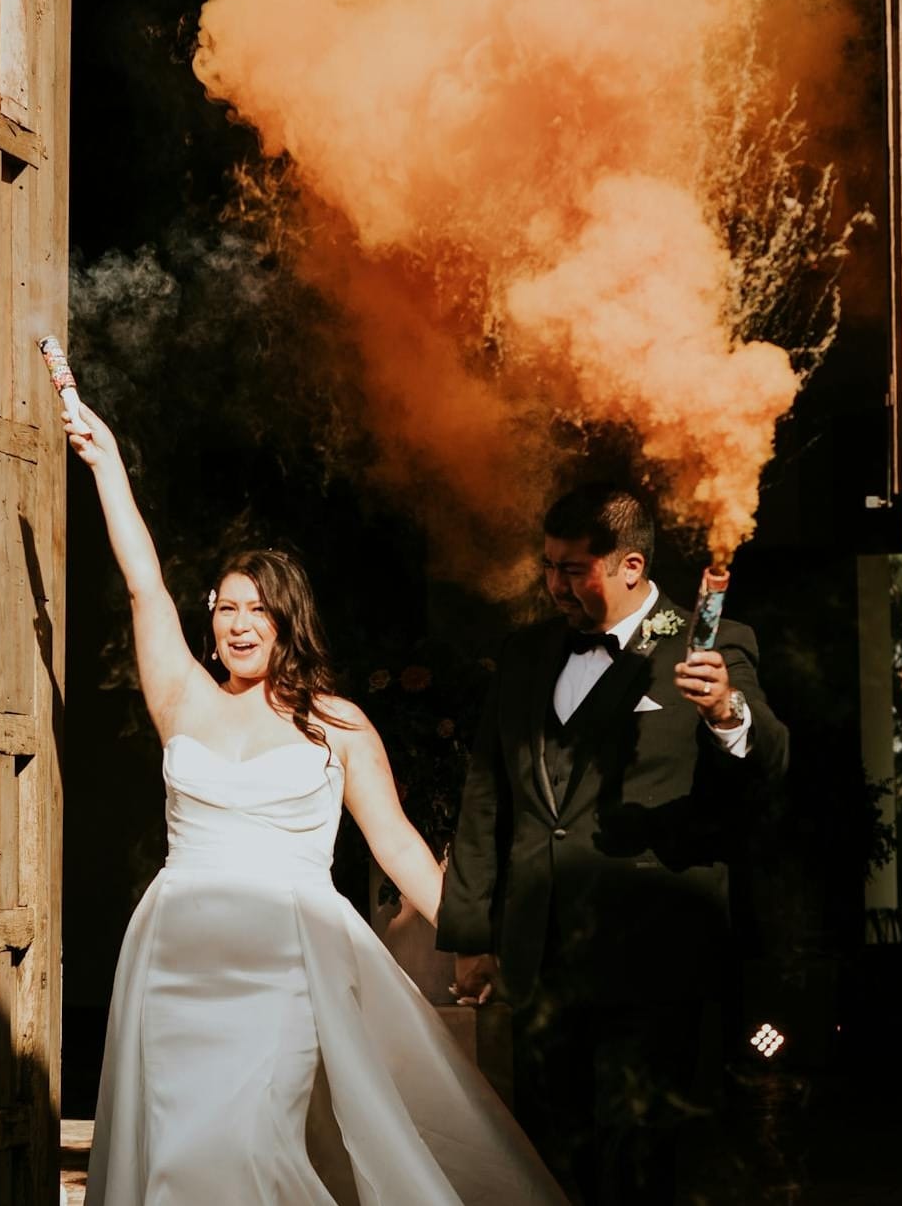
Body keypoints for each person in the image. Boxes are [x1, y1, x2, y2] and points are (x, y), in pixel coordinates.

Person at [65, 401, 569, 1206]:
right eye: (226, 606)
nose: (238, 623)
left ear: (286, 620)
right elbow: (141, 582)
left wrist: (479, 942)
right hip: (176, 958)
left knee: (250, 1141)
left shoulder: (338, 724)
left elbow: (399, 847)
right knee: (178, 1154)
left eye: (256, 608)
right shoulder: (179, 697)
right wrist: (107, 464)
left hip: (283, 965)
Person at [437, 485, 789, 1206]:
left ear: (631, 566)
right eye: (548, 567)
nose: (554, 585)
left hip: (652, 954)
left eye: (573, 570)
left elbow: (769, 765)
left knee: (639, 1164)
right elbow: (487, 792)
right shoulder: (525, 653)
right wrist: (472, 931)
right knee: (545, 1157)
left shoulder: (708, 643)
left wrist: (726, 710)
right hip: (539, 952)